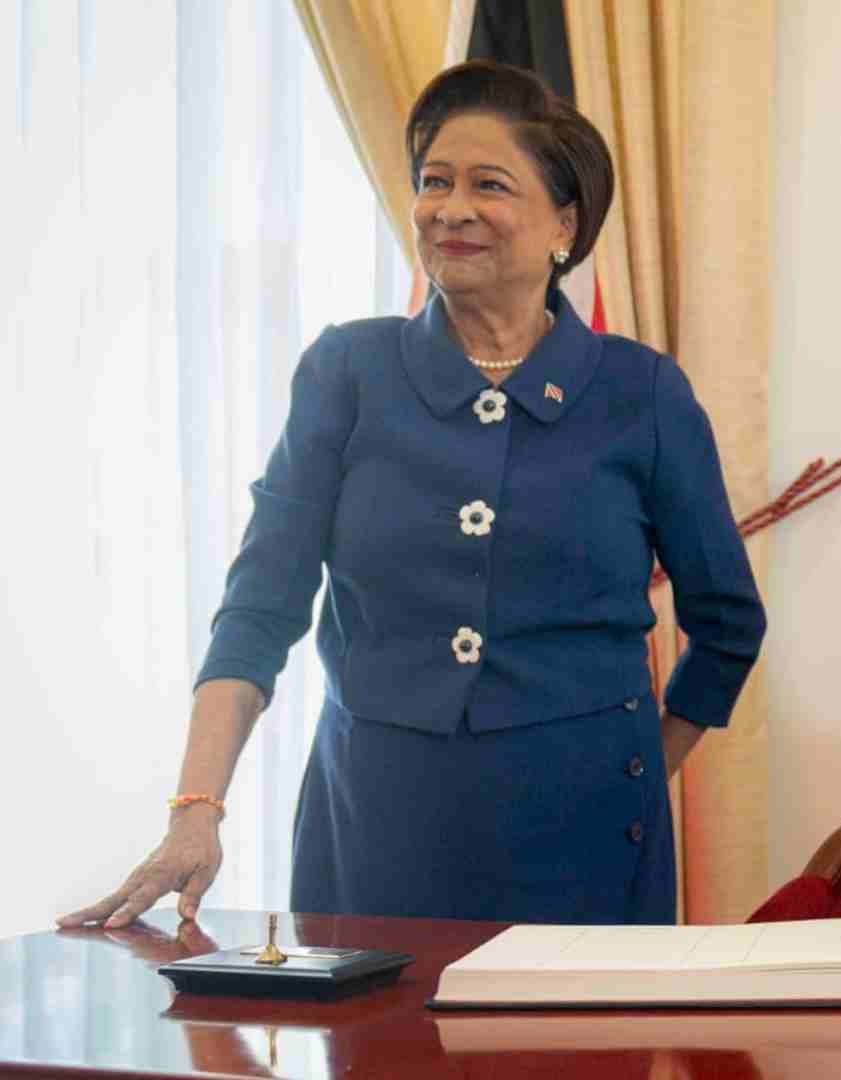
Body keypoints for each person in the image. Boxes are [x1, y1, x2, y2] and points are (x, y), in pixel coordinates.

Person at [60, 61, 764, 929]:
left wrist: (635, 771)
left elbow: (729, 623)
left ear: (565, 223)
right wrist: (196, 808)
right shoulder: (347, 371)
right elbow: (259, 607)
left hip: (584, 839)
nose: (448, 207)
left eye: (487, 184)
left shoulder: (641, 392)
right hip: (372, 832)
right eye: (433, 181)